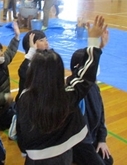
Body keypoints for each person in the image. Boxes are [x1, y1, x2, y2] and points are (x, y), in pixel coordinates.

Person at [16, 15, 108, 165]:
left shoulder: (24, 98)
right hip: (63, 153)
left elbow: (23, 72)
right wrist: (94, 43)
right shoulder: (66, 95)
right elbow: (85, 76)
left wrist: (23, 149)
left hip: (36, 157)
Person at [68, 31, 113, 165]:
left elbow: (101, 115)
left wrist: (102, 139)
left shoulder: (94, 87)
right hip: (81, 141)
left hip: (92, 138)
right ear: (78, 68)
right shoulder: (74, 90)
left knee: (108, 161)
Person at [15, 30, 49, 102]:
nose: (46, 43)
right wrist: (32, 50)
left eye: (47, 40)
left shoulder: (49, 59)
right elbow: (23, 72)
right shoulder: (28, 64)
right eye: (41, 40)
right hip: (28, 103)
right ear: (31, 44)